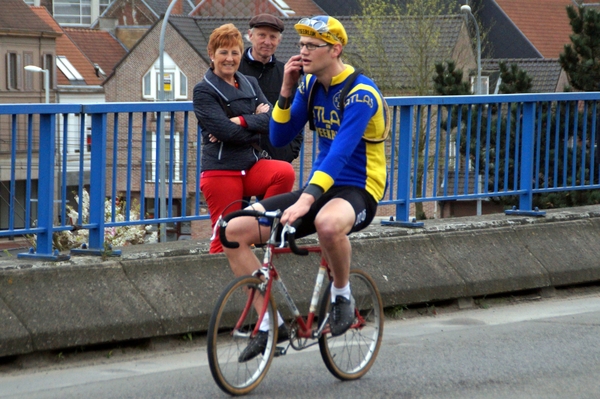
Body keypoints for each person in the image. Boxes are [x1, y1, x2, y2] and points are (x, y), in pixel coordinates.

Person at [222, 16, 388, 361]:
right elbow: (280, 137)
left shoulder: (361, 93)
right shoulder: (308, 85)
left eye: (312, 46)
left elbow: (341, 153)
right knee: (232, 230)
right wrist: (285, 91)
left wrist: (307, 199)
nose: (303, 52)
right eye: (300, 45)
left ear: (335, 50)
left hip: (359, 188)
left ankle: (342, 296)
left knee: (327, 224)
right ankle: (270, 324)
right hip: (320, 187)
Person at [193, 23, 295, 254]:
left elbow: (271, 119)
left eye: (235, 52)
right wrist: (253, 119)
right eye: (223, 52)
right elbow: (224, 132)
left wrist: (239, 120)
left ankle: (261, 232)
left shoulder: (250, 82)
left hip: (250, 165)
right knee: (224, 240)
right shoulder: (203, 90)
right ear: (211, 55)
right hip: (222, 171)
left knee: (283, 172)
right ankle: (222, 288)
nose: (229, 58)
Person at [238, 13, 303, 163]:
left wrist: (290, 151)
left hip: (277, 158)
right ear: (250, 35)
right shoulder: (235, 69)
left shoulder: (286, 73)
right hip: (240, 156)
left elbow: (296, 113)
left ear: (279, 41)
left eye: (273, 37)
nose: (267, 42)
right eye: (262, 35)